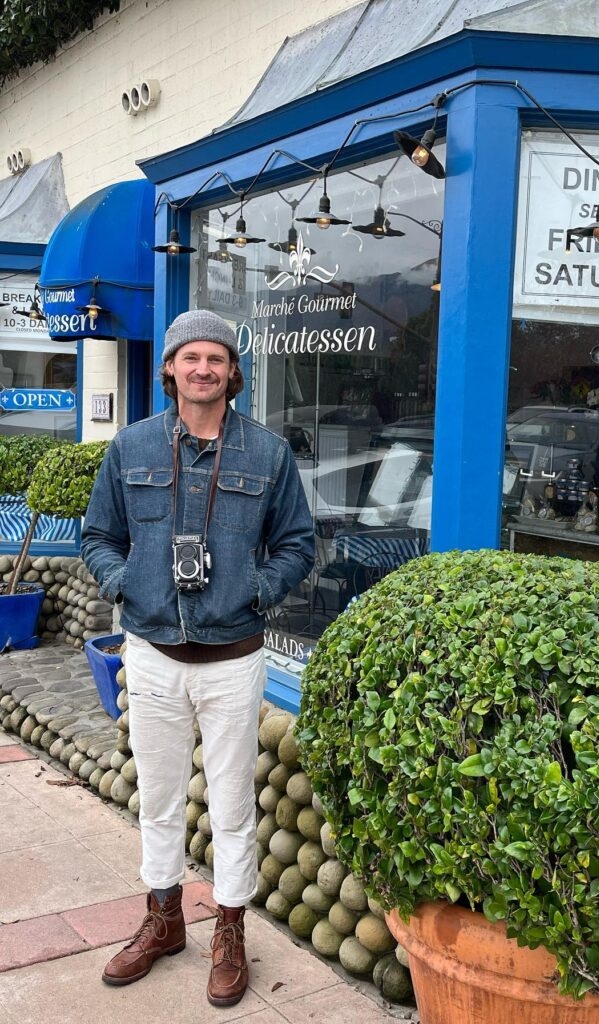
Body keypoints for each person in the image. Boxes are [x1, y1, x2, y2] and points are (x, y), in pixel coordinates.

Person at [81, 309, 314, 1007]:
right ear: (172, 369)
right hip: (152, 653)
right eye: (191, 358)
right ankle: (163, 920)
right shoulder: (132, 447)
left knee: (233, 803)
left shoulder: (268, 455)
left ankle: (231, 930)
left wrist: (255, 590)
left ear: (232, 371)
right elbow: (100, 536)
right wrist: (127, 584)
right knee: (156, 797)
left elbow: (298, 545)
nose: (203, 369)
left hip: (233, 657)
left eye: (216, 358)